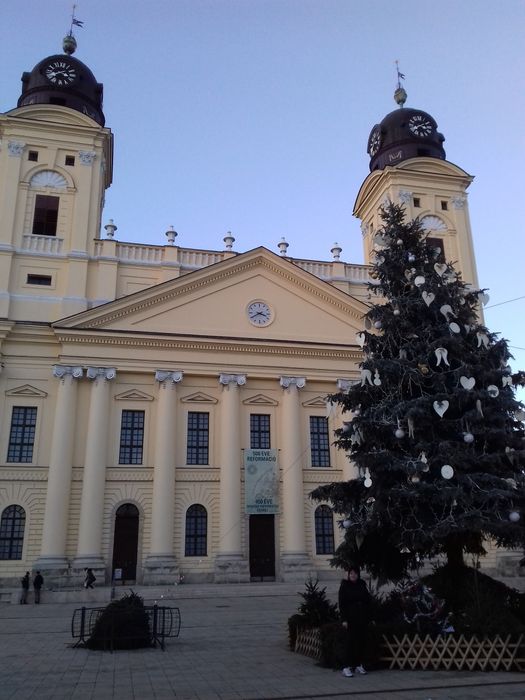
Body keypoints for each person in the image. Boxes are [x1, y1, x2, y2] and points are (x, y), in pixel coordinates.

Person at [338, 566, 372, 677]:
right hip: (350, 617)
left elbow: (367, 600)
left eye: (355, 573)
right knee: (350, 642)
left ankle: (358, 664)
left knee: (361, 642)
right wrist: (344, 619)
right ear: (348, 575)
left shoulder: (361, 584)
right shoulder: (344, 586)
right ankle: (346, 666)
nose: (353, 575)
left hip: (361, 617)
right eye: (351, 573)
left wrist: (369, 615)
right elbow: (342, 604)